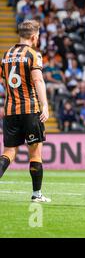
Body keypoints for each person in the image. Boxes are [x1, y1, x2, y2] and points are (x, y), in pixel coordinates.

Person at [0, 20, 50, 202]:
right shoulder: (33, 54)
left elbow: (4, 82)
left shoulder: (6, 55)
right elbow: (38, 80)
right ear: (34, 36)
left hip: (11, 111)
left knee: (9, 152)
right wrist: (44, 104)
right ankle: (37, 194)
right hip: (30, 110)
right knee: (35, 153)